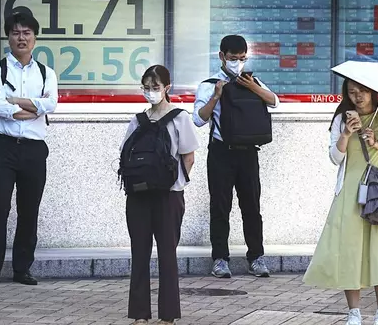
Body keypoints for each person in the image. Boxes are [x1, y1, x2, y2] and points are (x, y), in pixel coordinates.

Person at [303, 79, 378, 325]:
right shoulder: (341, 118)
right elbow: (335, 157)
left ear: (373, 92)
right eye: (352, 92)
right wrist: (347, 133)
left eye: (363, 91)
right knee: (350, 250)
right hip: (350, 191)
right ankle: (354, 312)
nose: (358, 96)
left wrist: (376, 143)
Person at [192, 35, 279, 278]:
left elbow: (275, 102)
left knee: (252, 206)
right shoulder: (209, 84)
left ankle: (256, 258)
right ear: (222, 56)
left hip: (249, 153)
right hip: (221, 153)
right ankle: (220, 259)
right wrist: (216, 96)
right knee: (220, 206)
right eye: (232, 58)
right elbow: (198, 119)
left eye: (241, 59)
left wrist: (252, 86)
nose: (237, 63)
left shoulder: (253, 80)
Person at [0, 12, 58, 286]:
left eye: (27, 32)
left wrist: (17, 101)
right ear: (8, 37)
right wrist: (32, 107)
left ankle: (22, 268)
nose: (21, 37)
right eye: (16, 33)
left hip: (35, 150)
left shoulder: (45, 72)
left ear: (35, 37)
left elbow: (51, 105)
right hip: (3, 148)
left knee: (29, 210)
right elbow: (1, 109)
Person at [119, 65, 200, 324]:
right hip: (139, 196)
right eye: (147, 87)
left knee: (167, 255)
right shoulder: (138, 120)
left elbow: (189, 157)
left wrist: (176, 184)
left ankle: (168, 315)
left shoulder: (180, 118)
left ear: (167, 87)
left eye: (156, 87)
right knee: (139, 253)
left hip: (168, 196)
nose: (151, 92)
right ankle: (140, 314)